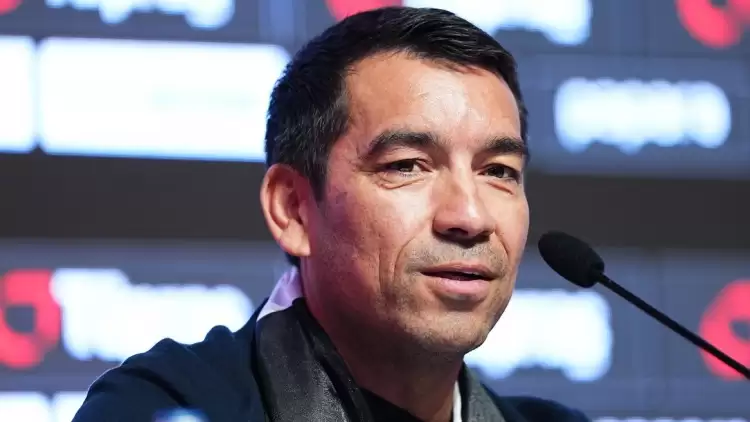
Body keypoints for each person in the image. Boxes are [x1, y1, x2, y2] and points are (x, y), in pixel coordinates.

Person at [72, 6, 590, 422]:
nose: (470, 216)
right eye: (406, 165)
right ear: (293, 210)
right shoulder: (167, 404)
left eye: (498, 171)